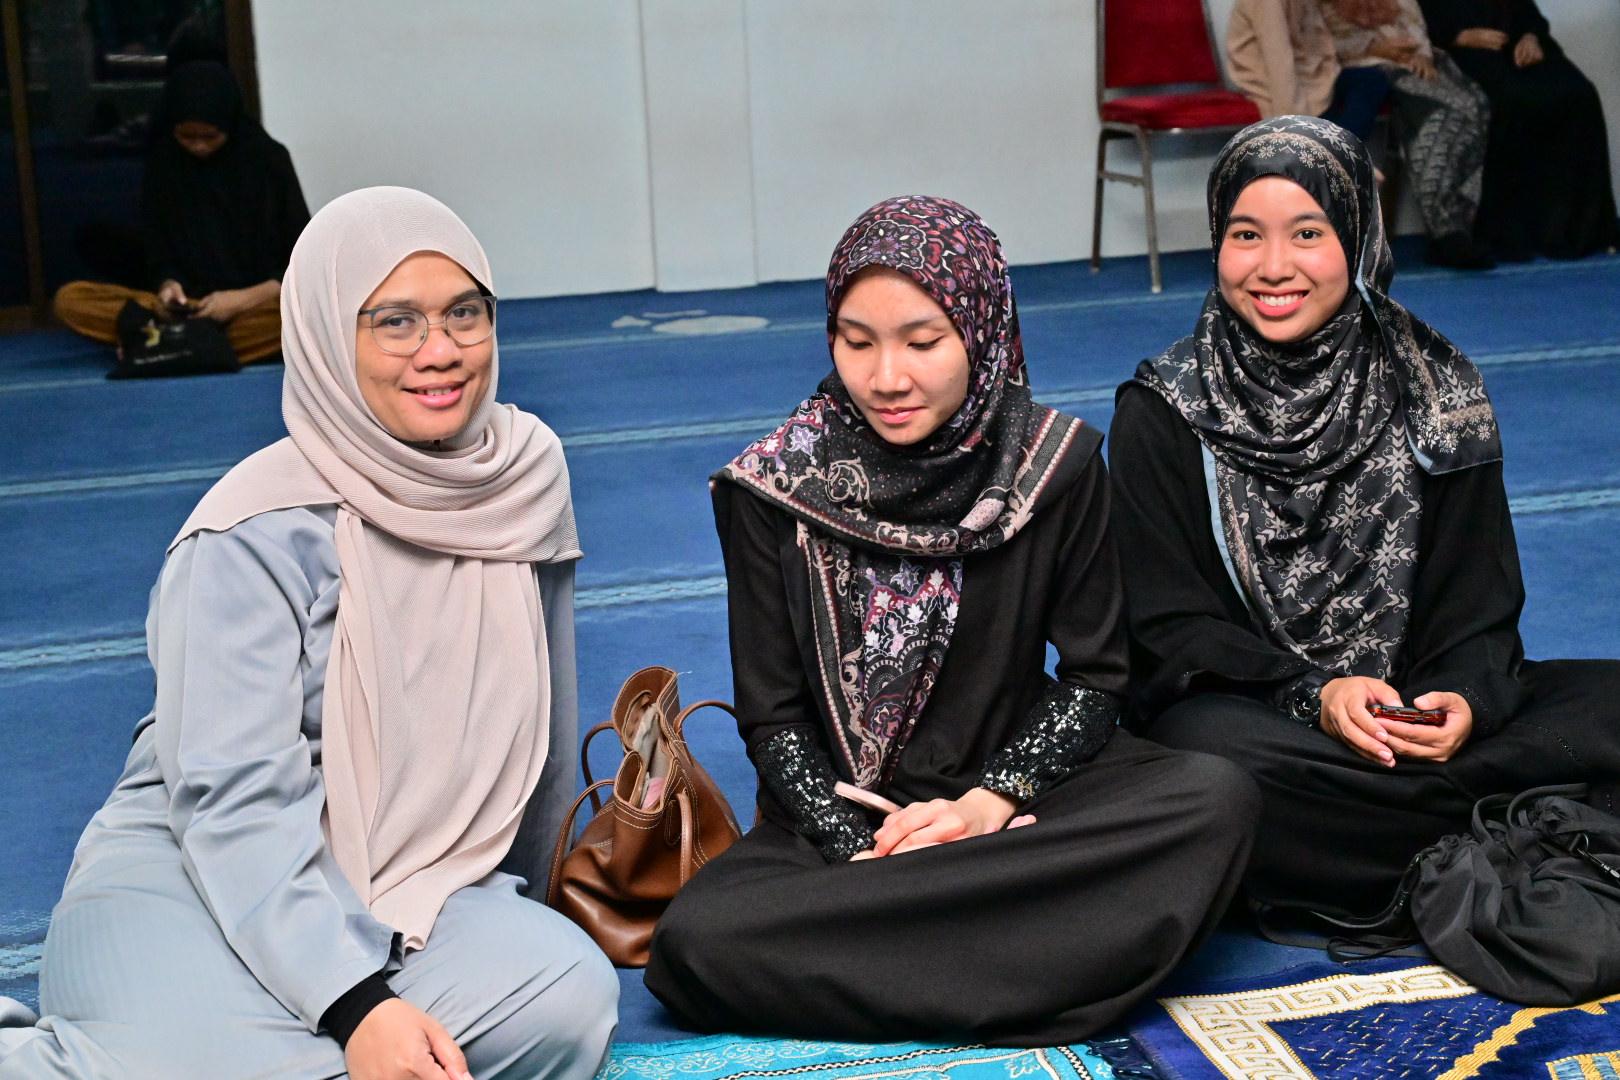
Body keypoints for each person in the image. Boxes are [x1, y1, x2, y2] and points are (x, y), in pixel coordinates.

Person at [0, 187, 617, 1079]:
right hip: (200, 876)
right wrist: (357, 1006)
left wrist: (527, 896)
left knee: (566, 999)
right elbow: (230, 799)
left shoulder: (519, 476)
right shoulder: (251, 530)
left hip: (410, 875)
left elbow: (541, 724)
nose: (440, 351)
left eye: (464, 313)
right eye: (394, 322)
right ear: (327, 335)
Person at [644, 195, 1259, 1046]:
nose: (886, 378)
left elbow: (1095, 679)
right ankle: (1035, 955)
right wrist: (861, 849)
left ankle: (910, 946)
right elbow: (774, 717)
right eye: (857, 342)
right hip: (849, 820)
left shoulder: (1053, 466)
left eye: (922, 342)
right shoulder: (773, 488)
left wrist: (985, 806)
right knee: (696, 943)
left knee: (1215, 799)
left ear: (981, 330)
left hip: (1015, 793)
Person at [1108, 116, 1620, 923]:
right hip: (1266, 721)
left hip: (1411, 719)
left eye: (1308, 232)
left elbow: (1479, 604)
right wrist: (1317, 694)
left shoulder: (1438, 391)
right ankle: (1500, 819)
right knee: (1207, 764)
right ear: (1215, 243)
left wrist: (1463, 701)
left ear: (1358, 238)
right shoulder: (1164, 409)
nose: (1273, 266)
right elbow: (1168, 629)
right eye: (1246, 234)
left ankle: (1388, 836)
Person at [53, 60, 309, 365]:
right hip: (185, 308)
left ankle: (160, 346)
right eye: (187, 137)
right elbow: (158, 249)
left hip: (252, 306)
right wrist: (168, 286)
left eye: (210, 137)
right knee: (70, 300)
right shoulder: (165, 164)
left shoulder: (268, 161)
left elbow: (302, 262)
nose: (198, 146)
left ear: (229, 124)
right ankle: (194, 346)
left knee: (307, 314)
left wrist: (239, 300)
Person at [1417, 0, 1620, 260]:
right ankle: (1511, 232)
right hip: (1463, 51)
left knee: (1579, 94)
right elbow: (1414, 20)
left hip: (1515, 47)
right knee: (1512, 101)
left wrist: (1531, 36)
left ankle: (1579, 227)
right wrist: (1457, 37)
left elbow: (1526, 12)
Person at [1321, 0, 1494, 268]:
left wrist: (1422, 55)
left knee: (1475, 104)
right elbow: (1320, 41)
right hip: (1367, 66)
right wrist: (1374, 47)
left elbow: (1416, 26)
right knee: (1439, 116)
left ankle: (1464, 224)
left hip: (1416, 63)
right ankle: (1445, 232)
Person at [1226, 0, 1393, 142]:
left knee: (1372, 79)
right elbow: (1279, 63)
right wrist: (1296, 126)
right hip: (1272, 80)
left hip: (1312, 75)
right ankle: (1337, 155)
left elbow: (1319, 42)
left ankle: (1339, 150)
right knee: (1323, 112)